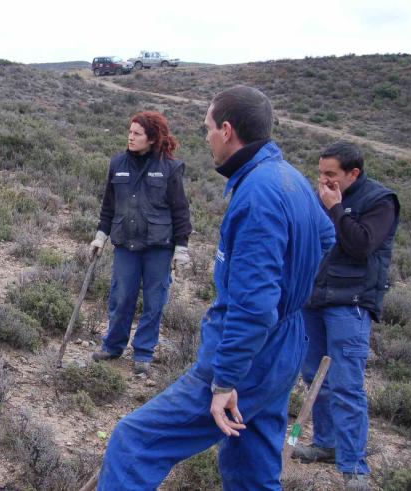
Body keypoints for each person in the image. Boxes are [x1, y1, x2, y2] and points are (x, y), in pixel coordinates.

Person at [96, 85, 335, 490]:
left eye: (207, 128)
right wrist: (292, 290)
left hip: (247, 355)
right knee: (253, 463)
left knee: (134, 441)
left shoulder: (258, 194)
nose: (205, 137)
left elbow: (254, 307)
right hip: (285, 345)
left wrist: (225, 381)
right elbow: (325, 237)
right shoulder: (289, 177)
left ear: (227, 130)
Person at [292, 141, 399, 491]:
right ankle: (325, 443)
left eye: (331, 174)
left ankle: (354, 466)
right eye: (320, 172)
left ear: (354, 173)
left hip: (350, 302)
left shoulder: (380, 201)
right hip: (314, 296)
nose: (323, 180)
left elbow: (362, 245)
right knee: (313, 375)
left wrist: (337, 210)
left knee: (346, 384)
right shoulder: (322, 196)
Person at [90, 111, 192, 375]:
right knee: (121, 296)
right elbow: (108, 206)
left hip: (159, 246)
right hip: (125, 243)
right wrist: (101, 234)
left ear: (152, 138)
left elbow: (180, 210)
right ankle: (113, 346)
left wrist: (181, 247)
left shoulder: (169, 168)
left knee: (154, 301)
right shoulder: (117, 164)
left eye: (137, 133)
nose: (130, 137)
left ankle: (144, 354)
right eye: (130, 132)